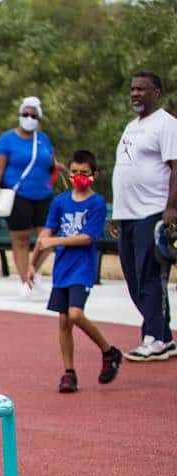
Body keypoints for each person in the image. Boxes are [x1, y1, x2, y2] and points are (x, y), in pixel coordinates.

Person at [26, 151, 122, 392]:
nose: (79, 177)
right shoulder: (60, 202)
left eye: (84, 173)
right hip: (62, 270)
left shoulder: (96, 203)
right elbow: (46, 234)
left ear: (94, 175)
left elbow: (87, 238)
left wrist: (55, 242)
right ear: (68, 174)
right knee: (63, 321)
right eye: (75, 172)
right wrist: (32, 264)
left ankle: (109, 351)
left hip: (83, 268)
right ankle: (69, 372)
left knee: (76, 314)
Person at [111, 72, 177, 362]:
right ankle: (161, 334)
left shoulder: (167, 124)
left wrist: (172, 208)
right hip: (127, 216)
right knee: (134, 277)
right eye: (133, 89)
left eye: (142, 89)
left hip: (151, 212)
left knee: (151, 277)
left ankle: (156, 338)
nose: (135, 94)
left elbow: (176, 167)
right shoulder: (131, 127)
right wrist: (116, 212)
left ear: (157, 92)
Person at [0, 96, 62, 297]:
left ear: (39, 117)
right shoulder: (7, 139)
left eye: (33, 115)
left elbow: (52, 162)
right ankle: (25, 280)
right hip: (17, 195)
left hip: (43, 194)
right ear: (19, 115)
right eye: (25, 114)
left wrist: (68, 171)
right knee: (21, 239)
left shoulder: (43, 139)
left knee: (48, 237)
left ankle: (33, 271)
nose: (29, 118)